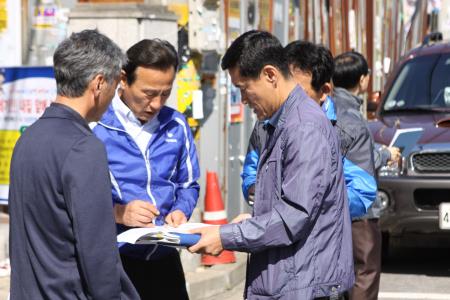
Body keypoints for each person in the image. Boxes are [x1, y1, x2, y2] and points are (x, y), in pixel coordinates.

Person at [189, 30, 354, 299]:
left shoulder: (303, 127)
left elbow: (294, 216)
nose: (243, 100)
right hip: (289, 281)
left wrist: (226, 236)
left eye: (243, 88)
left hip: (302, 286)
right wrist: (255, 217)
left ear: (269, 75)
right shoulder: (282, 122)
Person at [8, 30, 139, 299]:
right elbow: (98, 250)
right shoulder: (83, 147)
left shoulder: (27, 140)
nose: (113, 98)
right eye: (114, 87)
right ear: (99, 83)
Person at [93, 39, 200, 300]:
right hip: (114, 262)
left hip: (165, 260)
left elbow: (189, 185)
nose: (156, 104)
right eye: (149, 93)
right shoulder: (96, 125)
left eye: (165, 93)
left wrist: (180, 211)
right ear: (123, 79)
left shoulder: (176, 124)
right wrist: (118, 213)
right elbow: (76, 199)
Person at [332, 51, 399, 300]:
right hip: (360, 211)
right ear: (363, 80)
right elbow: (360, 164)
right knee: (365, 273)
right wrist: (386, 155)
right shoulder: (352, 117)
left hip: (334, 209)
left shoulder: (328, 109)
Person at [241, 40, 335, 203]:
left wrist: (320, 200)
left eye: (298, 92)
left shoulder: (341, 129)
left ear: (324, 91)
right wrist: (256, 191)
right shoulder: (265, 123)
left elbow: (361, 191)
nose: (289, 97)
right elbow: (251, 169)